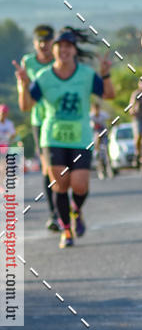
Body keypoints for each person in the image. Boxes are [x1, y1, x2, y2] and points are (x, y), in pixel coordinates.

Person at [14, 29, 115, 248]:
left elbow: (108, 94)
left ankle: (76, 210)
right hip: (53, 137)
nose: (64, 50)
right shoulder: (44, 77)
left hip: (80, 137)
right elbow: (26, 106)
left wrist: (105, 74)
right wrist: (23, 84)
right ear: (55, 50)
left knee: (79, 185)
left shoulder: (86, 75)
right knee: (60, 184)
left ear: (74, 51)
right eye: (60, 46)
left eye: (68, 46)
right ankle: (66, 230)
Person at [19, 25, 58, 230]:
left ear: (53, 42)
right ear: (34, 43)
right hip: (41, 122)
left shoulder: (61, 59)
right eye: (39, 41)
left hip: (64, 119)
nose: (44, 45)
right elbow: (25, 105)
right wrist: (24, 85)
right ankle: (54, 214)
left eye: (47, 41)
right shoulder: (28, 63)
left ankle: (70, 206)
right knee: (48, 168)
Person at [90, 100, 112, 178]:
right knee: (97, 137)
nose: (97, 111)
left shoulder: (103, 115)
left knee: (106, 148)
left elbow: (110, 119)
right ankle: (97, 153)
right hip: (96, 134)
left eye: (98, 109)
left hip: (104, 132)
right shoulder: (91, 116)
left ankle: (108, 164)